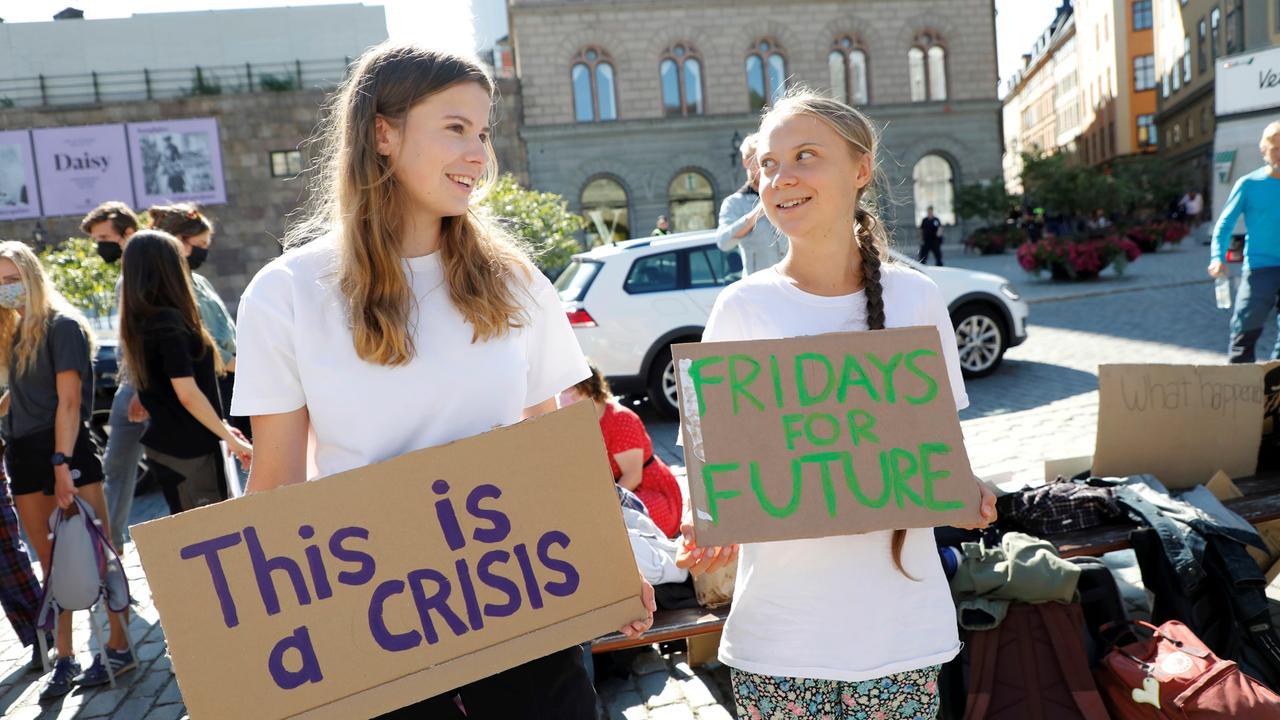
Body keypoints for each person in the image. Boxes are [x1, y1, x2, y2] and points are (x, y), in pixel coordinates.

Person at [230, 43, 654, 719]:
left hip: (525, 614)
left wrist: (610, 562)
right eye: (456, 128)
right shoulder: (286, 293)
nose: (478, 155)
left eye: (483, 133)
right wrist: (250, 640)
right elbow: (277, 484)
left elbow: (553, 450)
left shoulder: (516, 280)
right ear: (383, 133)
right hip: (377, 630)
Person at [675, 92, 997, 719]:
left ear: (861, 169)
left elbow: (938, 454)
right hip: (780, 642)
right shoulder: (741, 309)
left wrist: (968, 490)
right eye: (768, 164)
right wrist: (705, 523)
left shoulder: (917, 299)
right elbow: (715, 468)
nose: (781, 178)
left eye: (805, 156)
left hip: (901, 638)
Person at [0, 241, 134, 698]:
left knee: (99, 551)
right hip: (23, 455)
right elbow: (25, 393)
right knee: (50, 561)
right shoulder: (16, 331)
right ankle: (65, 655)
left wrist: (61, 462)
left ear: (32, 277)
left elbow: (70, 402)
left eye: (12, 279)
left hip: (66, 451)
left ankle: (120, 644)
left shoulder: (63, 325)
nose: (7, 289)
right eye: (0, 282)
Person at [118, 230, 251, 511]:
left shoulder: (144, 320)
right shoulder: (167, 322)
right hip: (189, 451)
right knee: (210, 531)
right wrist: (230, 439)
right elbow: (187, 394)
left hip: (183, 446)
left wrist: (223, 428)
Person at [80, 201, 147, 551]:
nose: (100, 247)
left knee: (124, 471)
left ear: (128, 234)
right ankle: (112, 545)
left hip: (139, 387)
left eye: (104, 238)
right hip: (131, 386)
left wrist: (139, 389)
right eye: (96, 240)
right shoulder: (128, 274)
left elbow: (143, 335)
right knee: (116, 470)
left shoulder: (140, 274)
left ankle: (110, 546)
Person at [146, 205, 244, 439]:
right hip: (214, 379)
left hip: (235, 375)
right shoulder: (171, 288)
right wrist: (246, 369)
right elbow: (203, 343)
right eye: (200, 244)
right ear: (178, 241)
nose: (205, 250)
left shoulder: (199, 281)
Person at [560, 365, 683, 538]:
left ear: (587, 388)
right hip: (618, 490)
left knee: (616, 525)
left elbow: (633, 476)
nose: (563, 396)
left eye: (569, 390)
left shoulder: (620, 419)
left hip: (647, 492)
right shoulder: (582, 420)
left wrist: (604, 506)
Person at [1209, 120, 1280, 364]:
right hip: (1260, 268)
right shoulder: (1249, 184)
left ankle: (1275, 381)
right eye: (1275, 148)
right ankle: (1240, 381)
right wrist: (1217, 257)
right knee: (1245, 328)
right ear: (1264, 151)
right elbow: (1224, 224)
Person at [717, 132, 787, 275]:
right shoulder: (734, 203)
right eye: (758, 159)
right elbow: (723, 242)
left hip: (793, 283)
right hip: (759, 284)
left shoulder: (786, 195)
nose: (764, 166)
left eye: (769, 160)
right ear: (746, 162)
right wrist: (756, 213)